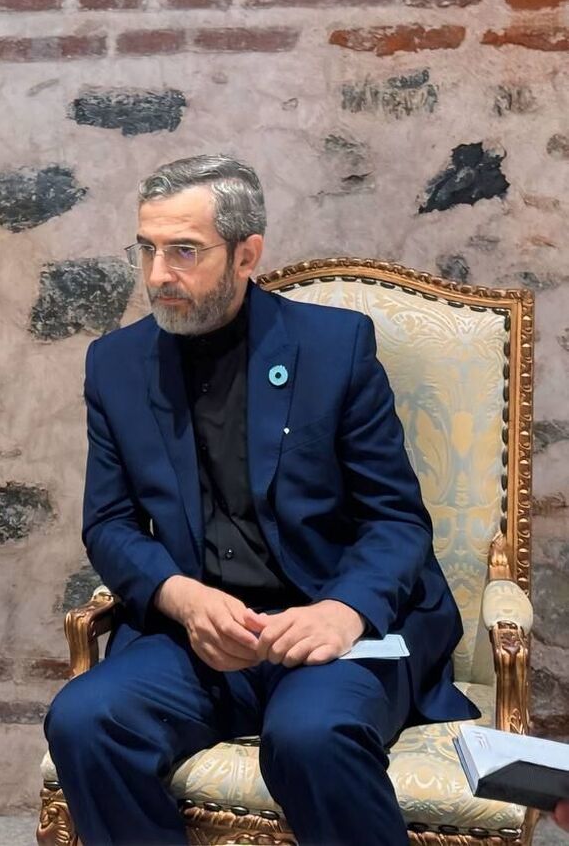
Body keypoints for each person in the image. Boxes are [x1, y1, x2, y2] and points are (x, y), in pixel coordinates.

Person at [44, 154, 478, 846]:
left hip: (326, 625)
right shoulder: (116, 363)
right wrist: (183, 598)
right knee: (84, 719)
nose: (157, 275)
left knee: (311, 736)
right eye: (147, 249)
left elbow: (394, 519)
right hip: (200, 635)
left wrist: (344, 610)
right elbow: (110, 522)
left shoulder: (333, 349)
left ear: (246, 255)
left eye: (184, 251)